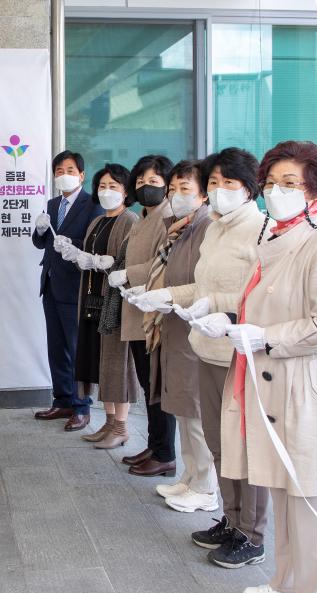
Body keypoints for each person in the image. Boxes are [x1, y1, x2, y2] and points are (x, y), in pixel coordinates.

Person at [192, 141, 317, 593]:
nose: (277, 192)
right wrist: (228, 317)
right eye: (271, 183)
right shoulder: (273, 238)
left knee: (309, 505)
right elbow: (263, 303)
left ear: (315, 191)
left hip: (306, 390)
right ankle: (286, 582)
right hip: (270, 385)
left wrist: (263, 336)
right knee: (285, 494)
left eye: (290, 184)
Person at [168, 148, 271, 567]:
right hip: (207, 349)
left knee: (244, 445)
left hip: (240, 355)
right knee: (218, 442)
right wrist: (170, 297)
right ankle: (229, 520)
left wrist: (216, 303)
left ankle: (252, 532)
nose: (220, 190)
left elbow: (259, 295)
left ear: (249, 188)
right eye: (214, 182)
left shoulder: (261, 229)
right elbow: (199, 286)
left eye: (230, 183)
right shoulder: (214, 228)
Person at [129, 160, 218, 505]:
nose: (176, 195)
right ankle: (190, 476)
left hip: (192, 327)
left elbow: (203, 282)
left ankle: (205, 486)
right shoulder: (180, 227)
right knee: (181, 405)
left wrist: (165, 294)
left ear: (203, 194)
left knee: (194, 410)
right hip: (172, 325)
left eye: (185, 189)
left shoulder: (206, 226)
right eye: (173, 189)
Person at [107, 155, 178, 476]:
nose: (146, 187)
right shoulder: (144, 216)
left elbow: (166, 263)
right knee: (149, 387)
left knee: (158, 387)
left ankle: (165, 453)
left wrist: (128, 273)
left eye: (153, 182)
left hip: (155, 316)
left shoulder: (169, 217)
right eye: (140, 182)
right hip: (136, 310)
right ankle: (154, 445)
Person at [58, 163, 138, 448]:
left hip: (113, 305)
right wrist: (79, 255)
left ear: (126, 192)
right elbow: (91, 257)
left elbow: (130, 263)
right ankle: (107, 422)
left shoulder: (129, 221)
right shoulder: (97, 221)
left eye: (113, 187)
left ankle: (121, 427)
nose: (107, 192)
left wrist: (106, 263)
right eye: (102, 186)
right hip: (92, 300)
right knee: (97, 362)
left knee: (117, 363)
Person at [31, 151, 101, 431]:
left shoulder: (92, 204)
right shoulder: (51, 203)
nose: (64, 174)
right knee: (56, 347)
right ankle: (62, 400)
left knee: (76, 349)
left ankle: (81, 407)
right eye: (59, 170)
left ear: (82, 175)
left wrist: (72, 243)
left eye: (69, 169)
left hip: (76, 287)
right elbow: (41, 243)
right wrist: (38, 230)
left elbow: (94, 243)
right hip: (50, 283)